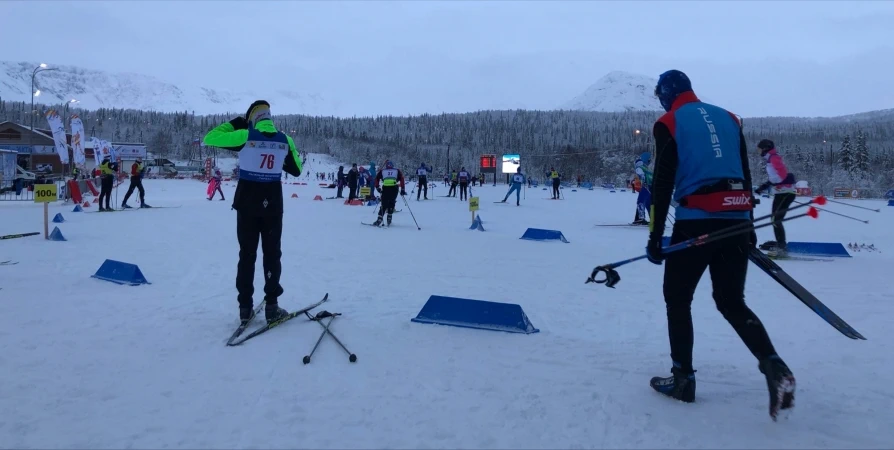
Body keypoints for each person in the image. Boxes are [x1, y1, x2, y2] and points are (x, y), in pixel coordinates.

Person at [645, 70, 794, 419]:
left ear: (667, 94)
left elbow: (663, 182)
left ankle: (683, 379)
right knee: (731, 301)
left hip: (696, 222)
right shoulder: (729, 118)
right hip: (737, 221)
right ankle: (774, 366)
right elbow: (743, 170)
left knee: (678, 299)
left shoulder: (668, 121)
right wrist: (749, 227)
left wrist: (655, 236)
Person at [202, 100, 302, 325]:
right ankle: (272, 306)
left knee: (247, 255)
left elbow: (210, 137)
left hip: (247, 204)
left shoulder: (245, 135)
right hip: (273, 206)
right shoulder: (285, 140)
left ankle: (245, 308)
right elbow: (296, 169)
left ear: (252, 118)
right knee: (272, 254)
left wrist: (237, 123)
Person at [755, 139, 796, 256]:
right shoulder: (770, 158)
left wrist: (768, 184)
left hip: (786, 192)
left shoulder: (774, 157)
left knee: (775, 220)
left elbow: (782, 174)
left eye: (759, 149)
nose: (759, 152)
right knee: (774, 220)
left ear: (765, 148)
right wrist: (764, 186)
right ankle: (780, 243)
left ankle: (782, 247)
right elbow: (776, 177)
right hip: (781, 192)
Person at [372, 160, 406, 227]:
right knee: (392, 202)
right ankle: (389, 217)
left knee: (384, 203)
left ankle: (379, 219)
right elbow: (402, 178)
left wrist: (377, 187)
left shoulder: (383, 171)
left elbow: (376, 178)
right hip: (394, 189)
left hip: (385, 189)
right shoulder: (396, 170)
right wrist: (402, 189)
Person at [633, 152, 653, 225]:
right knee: (648, 203)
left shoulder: (639, 168)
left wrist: (643, 182)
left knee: (640, 201)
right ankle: (654, 219)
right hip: (651, 187)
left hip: (645, 186)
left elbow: (641, 175)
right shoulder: (647, 169)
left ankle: (641, 219)